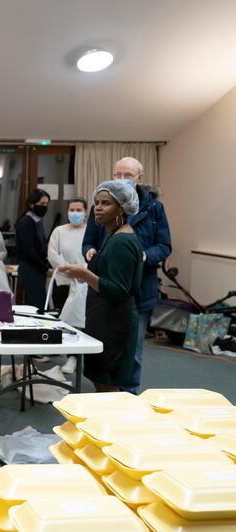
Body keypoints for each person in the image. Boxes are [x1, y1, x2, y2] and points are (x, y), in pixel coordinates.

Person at [82, 157, 172, 393]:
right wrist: (90, 252)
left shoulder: (153, 209)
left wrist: (144, 256)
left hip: (138, 290)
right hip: (107, 291)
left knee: (132, 351)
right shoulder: (102, 207)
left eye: (127, 176)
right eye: (117, 174)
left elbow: (164, 245)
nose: (121, 180)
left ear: (139, 178)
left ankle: (128, 401)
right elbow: (90, 240)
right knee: (106, 351)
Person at [60, 181, 143, 392]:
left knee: (108, 387)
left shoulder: (122, 242)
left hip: (115, 323)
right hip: (104, 319)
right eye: (97, 202)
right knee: (101, 384)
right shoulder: (112, 236)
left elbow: (118, 290)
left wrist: (85, 274)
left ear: (122, 208)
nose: (98, 207)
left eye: (106, 203)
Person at [48, 197, 88, 374]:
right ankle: (65, 353)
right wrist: (69, 270)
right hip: (63, 280)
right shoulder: (59, 231)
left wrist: (82, 273)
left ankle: (78, 356)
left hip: (85, 282)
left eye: (79, 210)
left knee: (81, 320)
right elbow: (52, 254)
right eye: (72, 210)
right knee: (64, 320)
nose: (75, 213)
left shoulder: (91, 232)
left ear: (86, 212)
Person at [15, 189, 53, 309]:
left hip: (36, 268)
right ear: (32, 204)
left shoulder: (37, 221)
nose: (45, 207)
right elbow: (29, 252)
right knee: (36, 304)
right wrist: (45, 269)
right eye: (42, 204)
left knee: (37, 302)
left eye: (47, 204)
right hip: (31, 268)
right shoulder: (27, 222)